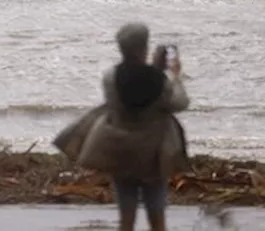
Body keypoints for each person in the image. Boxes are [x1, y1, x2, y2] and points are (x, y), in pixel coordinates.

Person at [54, 22, 190, 231]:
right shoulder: (159, 81)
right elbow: (179, 103)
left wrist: (153, 69)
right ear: (143, 48)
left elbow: (130, 91)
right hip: (153, 155)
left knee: (126, 217)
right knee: (157, 216)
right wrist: (174, 76)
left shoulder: (111, 77)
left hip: (121, 151)